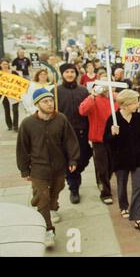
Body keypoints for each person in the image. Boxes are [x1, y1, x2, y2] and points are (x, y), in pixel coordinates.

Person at [16, 88, 80, 248]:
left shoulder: (61, 119)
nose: (50, 103)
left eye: (51, 100)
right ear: (37, 104)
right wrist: (24, 169)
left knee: (57, 188)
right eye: (45, 101)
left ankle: (51, 206)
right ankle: (47, 230)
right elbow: (22, 148)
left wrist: (73, 159)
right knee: (43, 197)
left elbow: (70, 141)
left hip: (59, 166)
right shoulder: (27, 124)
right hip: (38, 168)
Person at [104, 90, 140, 232]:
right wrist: (112, 133)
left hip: (137, 158)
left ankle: (138, 218)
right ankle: (123, 206)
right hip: (120, 159)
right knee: (122, 183)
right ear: (125, 105)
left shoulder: (138, 118)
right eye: (135, 102)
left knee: (138, 187)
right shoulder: (113, 119)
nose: (138, 104)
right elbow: (105, 140)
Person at [53, 63, 91, 204]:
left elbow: (89, 112)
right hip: (63, 133)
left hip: (81, 131)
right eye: (67, 72)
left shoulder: (83, 91)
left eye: (72, 72)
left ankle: (75, 176)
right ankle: (73, 188)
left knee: (82, 159)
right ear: (62, 74)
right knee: (70, 161)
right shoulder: (56, 91)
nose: (70, 74)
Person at [79, 74, 118, 205]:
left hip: (113, 137)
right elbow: (82, 111)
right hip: (98, 137)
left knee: (112, 165)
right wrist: (92, 96)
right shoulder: (93, 98)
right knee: (102, 166)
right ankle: (105, 191)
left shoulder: (115, 99)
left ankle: (103, 180)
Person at [1, 58, 20, 131]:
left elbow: (20, 81)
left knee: (15, 110)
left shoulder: (13, 72)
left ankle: (16, 126)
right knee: (7, 110)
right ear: (0, 65)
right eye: (3, 64)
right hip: (4, 95)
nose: (5, 65)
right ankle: (9, 125)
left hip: (14, 94)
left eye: (6, 64)